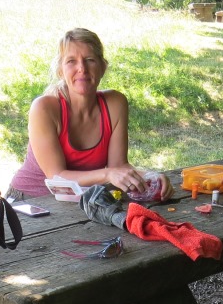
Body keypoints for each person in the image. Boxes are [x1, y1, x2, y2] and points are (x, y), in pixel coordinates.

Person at [8, 28, 153, 200]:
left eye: (90, 60)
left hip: (80, 201)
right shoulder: (44, 108)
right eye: (71, 61)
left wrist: (151, 176)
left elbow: (119, 167)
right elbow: (57, 178)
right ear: (61, 70)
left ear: (103, 67)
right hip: (29, 201)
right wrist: (107, 175)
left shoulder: (115, 103)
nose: (81, 68)